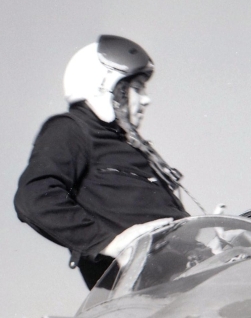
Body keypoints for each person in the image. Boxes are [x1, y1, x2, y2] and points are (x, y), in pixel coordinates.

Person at [14, 35, 190, 289]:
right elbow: (34, 198)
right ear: (107, 87)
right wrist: (109, 243)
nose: (146, 100)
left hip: (184, 282)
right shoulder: (72, 129)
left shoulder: (131, 148)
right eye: (137, 88)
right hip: (146, 295)